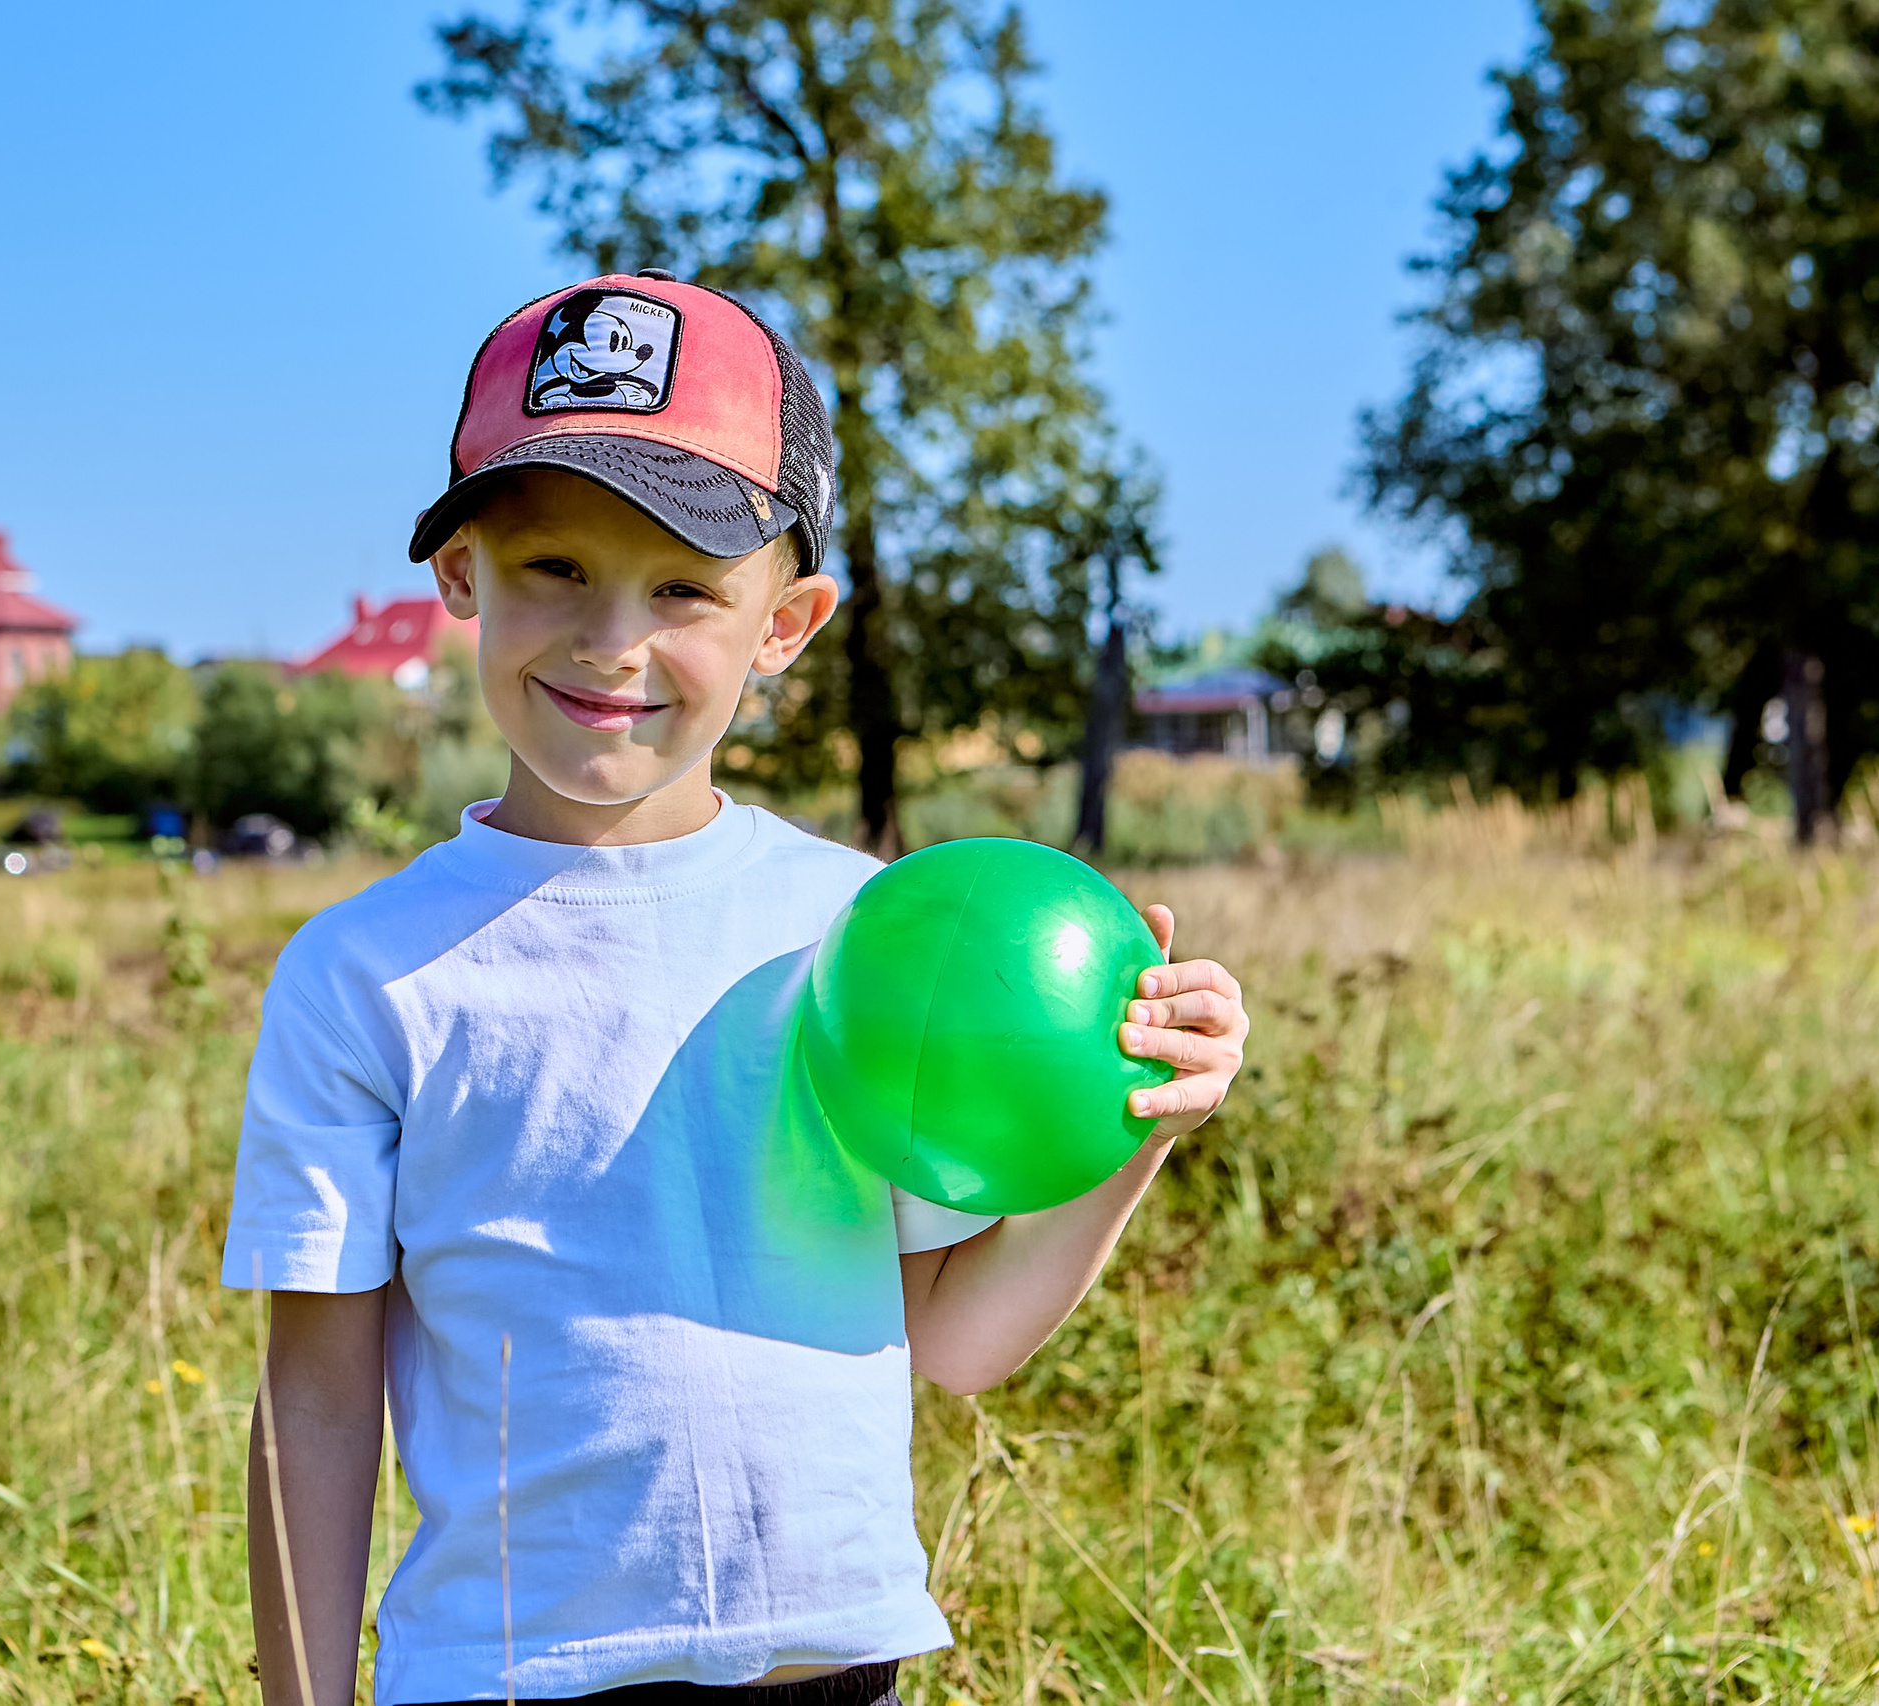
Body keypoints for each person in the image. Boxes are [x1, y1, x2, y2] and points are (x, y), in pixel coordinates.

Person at [221, 271, 1250, 1706]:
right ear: (460, 575)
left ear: (788, 619)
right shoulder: (366, 973)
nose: (611, 640)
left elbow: (953, 1335)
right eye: (553, 569)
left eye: (686, 587)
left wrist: (1123, 1130)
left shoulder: (855, 934)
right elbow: (316, 1402)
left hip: (828, 1674)